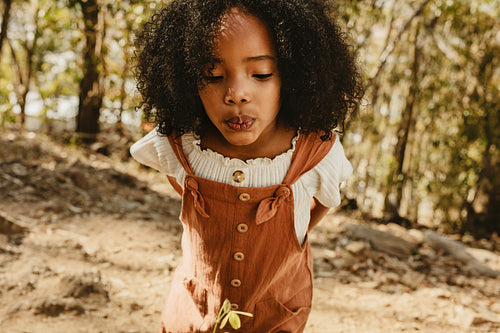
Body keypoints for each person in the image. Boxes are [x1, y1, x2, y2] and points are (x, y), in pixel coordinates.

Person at [130, 0, 362, 332]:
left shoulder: (315, 152)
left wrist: (295, 232)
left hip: (276, 314)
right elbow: (178, 180)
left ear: (294, 76)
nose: (236, 93)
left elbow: (325, 201)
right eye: (213, 75)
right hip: (195, 314)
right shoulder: (180, 145)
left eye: (262, 74)